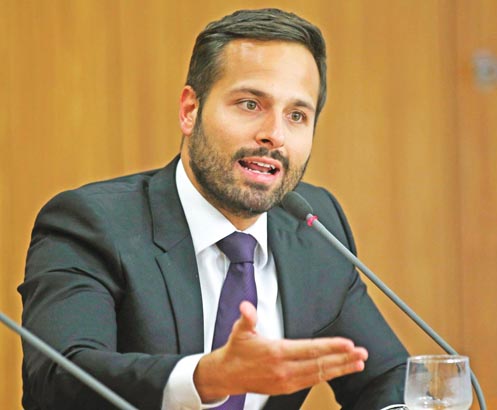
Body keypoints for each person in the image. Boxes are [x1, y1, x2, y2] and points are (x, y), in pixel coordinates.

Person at [19, 8, 408, 410]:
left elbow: (386, 376)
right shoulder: (93, 223)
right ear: (190, 110)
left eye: (296, 115)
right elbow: (59, 378)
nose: (274, 135)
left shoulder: (313, 228)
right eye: (250, 104)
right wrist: (204, 379)